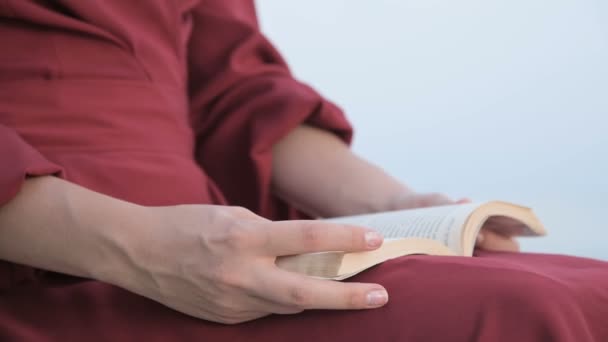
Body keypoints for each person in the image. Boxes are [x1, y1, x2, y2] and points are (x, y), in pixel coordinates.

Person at [1, 1, 607, 341]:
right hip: (51, 256)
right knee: (517, 312)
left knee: (591, 290)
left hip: (221, 248)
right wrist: (139, 249)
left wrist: (403, 210)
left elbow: (229, 87)